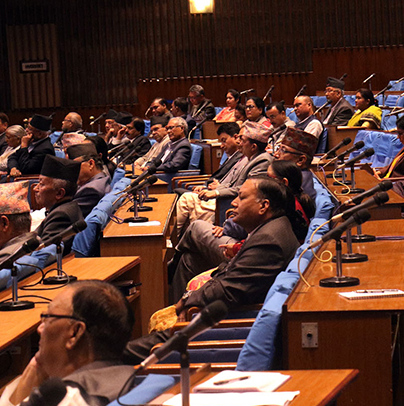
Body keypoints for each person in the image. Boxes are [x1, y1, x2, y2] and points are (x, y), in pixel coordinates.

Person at [126, 178, 301, 361]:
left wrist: (187, 301)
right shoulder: (271, 228)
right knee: (189, 259)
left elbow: (228, 290)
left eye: (241, 198)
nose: (233, 203)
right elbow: (228, 271)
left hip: (224, 325)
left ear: (263, 206)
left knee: (127, 352)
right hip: (222, 311)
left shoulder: (268, 241)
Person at [0, 281, 135, 406]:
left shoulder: (66, 400)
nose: (40, 328)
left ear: (75, 333)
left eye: (48, 317)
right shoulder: (133, 380)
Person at [173, 121, 272, 238]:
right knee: (189, 203)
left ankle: (172, 240)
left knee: (187, 200)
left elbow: (248, 190)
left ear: (253, 147)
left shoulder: (262, 160)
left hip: (232, 202)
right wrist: (212, 189)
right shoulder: (249, 158)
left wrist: (216, 192)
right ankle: (175, 239)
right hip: (226, 198)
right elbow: (231, 183)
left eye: (242, 140)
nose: (239, 143)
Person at [33, 155, 85, 242]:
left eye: (41, 184)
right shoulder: (67, 207)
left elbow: (43, 249)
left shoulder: (61, 216)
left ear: (59, 193)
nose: (35, 189)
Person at [66, 142, 111, 218]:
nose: (71, 172)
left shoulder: (91, 190)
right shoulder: (103, 179)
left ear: (91, 164)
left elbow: (65, 215)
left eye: (74, 166)